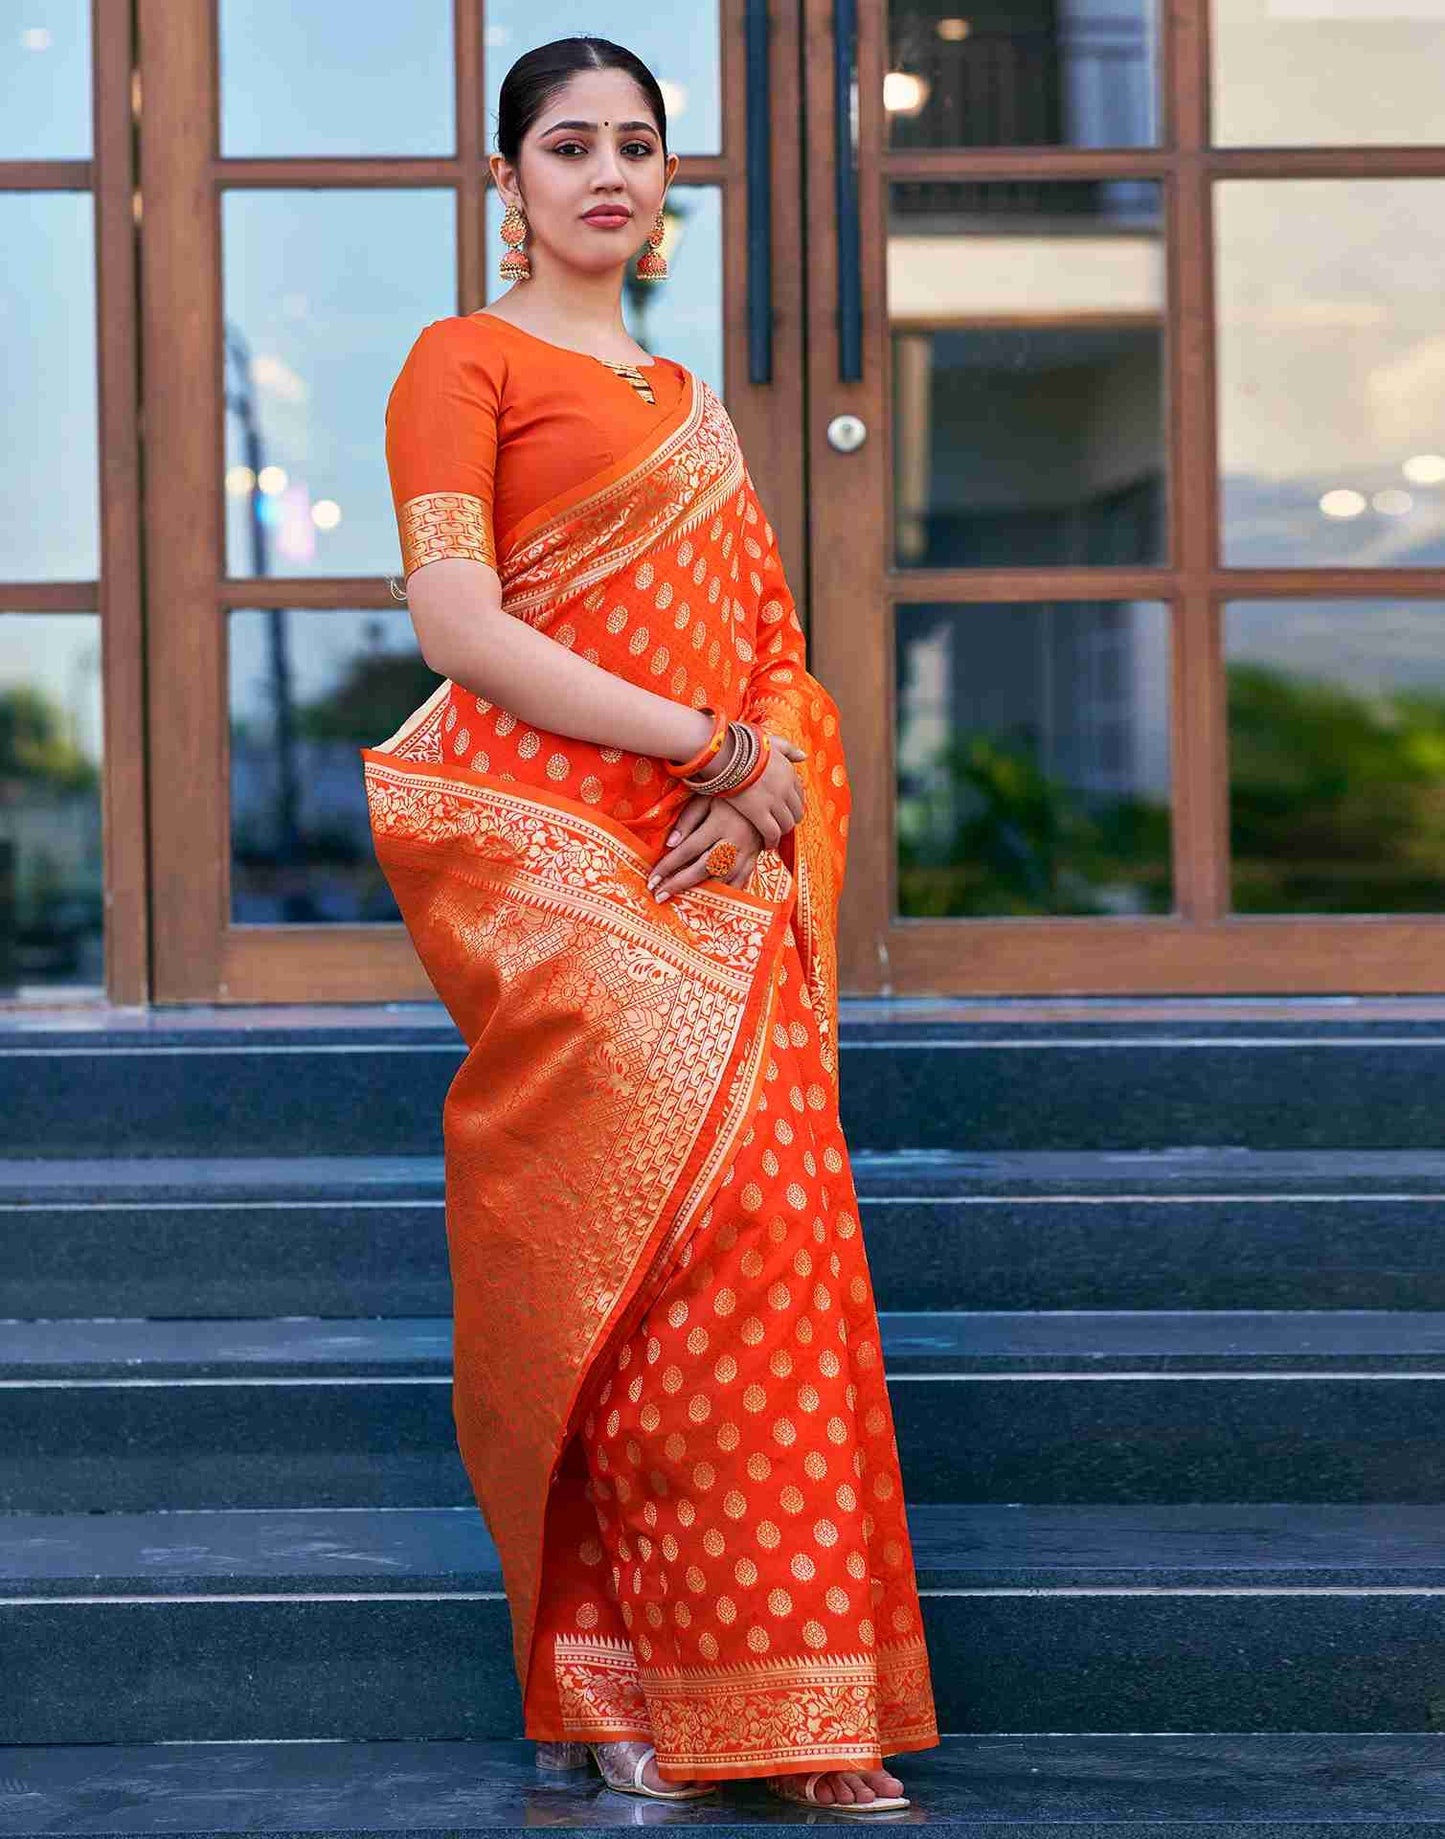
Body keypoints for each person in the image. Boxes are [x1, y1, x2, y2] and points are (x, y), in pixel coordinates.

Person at [361, 33, 939, 1813]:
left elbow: (763, 635)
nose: (605, 172)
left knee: (771, 1254)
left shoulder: (693, 403)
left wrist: (761, 772)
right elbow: (458, 625)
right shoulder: (461, 362)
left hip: (720, 865)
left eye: (635, 144)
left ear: (664, 182)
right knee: (629, 1269)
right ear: (507, 180)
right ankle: (615, 1682)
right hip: (556, 857)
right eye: (566, 145)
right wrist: (711, 746)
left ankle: (800, 1708)